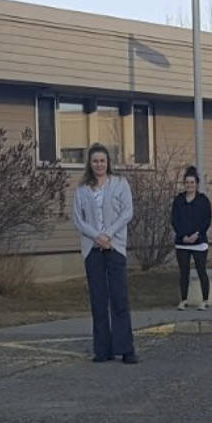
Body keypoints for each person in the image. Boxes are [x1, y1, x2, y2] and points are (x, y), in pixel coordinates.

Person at [72, 144, 137, 364]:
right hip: (93, 249)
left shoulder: (120, 184)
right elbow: (78, 219)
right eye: (95, 161)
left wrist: (108, 235)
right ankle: (103, 349)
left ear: (108, 162)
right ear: (89, 164)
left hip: (115, 247)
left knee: (119, 298)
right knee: (98, 299)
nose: (99, 165)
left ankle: (126, 348)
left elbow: (127, 212)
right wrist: (96, 236)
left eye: (102, 160)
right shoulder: (82, 189)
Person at [171, 167, 212, 311]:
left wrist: (197, 234)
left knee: (201, 270)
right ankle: (183, 300)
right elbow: (174, 220)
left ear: (196, 184)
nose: (189, 185)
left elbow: (207, 220)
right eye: (187, 182)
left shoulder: (203, 201)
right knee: (184, 272)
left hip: (199, 243)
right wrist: (183, 236)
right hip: (182, 243)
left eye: (192, 182)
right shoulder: (178, 200)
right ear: (184, 183)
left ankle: (205, 300)